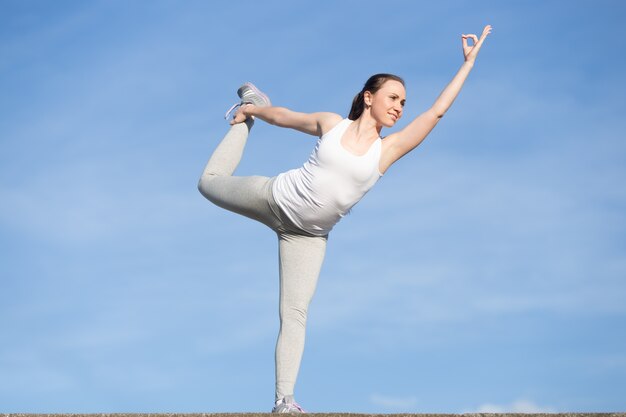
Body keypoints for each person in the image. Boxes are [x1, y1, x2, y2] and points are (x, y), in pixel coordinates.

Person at [198, 25, 492, 413]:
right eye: (393, 97)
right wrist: (254, 109)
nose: (399, 107)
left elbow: (436, 112)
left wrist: (467, 65)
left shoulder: (387, 151)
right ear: (369, 97)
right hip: (273, 198)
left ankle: (283, 401)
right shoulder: (332, 124)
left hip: (307, 237)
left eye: (403, 102)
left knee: (294, 313)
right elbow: (285, 117)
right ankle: (245, 117)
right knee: (208, 182)